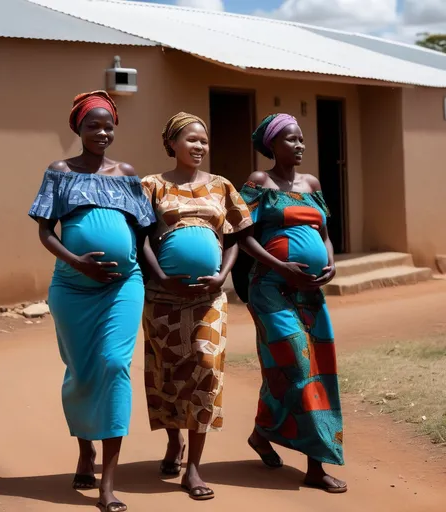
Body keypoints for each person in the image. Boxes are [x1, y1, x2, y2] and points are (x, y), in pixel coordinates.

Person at [28, 90, 155, 512]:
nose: (102, 132)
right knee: (81, 370)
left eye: (107, 125)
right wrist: (77, 263)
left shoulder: (127, 173)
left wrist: (161, 274)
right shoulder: (59, 172)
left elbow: (142, 233)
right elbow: (46, 231)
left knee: (114, 365)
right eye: (92, 125)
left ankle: (107, 485)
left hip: (122, 285)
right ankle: (85, 449)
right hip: (72, 287)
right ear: (78, 129)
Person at [233, 113, 347, 493]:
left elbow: (325, 233)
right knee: (300, 367)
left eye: (301, 140)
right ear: (272, 145)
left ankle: (262, 433)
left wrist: (329, 261)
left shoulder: (311, 183)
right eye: (290, 140)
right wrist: (282, 265)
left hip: (310, 291)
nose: (298, 146)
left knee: (310, 369)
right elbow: (240, 235)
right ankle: (316, 467)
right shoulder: (259, 183)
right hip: (270, 290)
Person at [141, 112, 252, 501]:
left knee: (206, 368)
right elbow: (141, 240)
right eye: (190, 140)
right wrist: (161, 276)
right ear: (171, 144)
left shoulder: (221, 186)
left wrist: (223, 274)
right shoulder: (151, 186)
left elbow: (237, 235)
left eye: (203, 140)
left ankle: (194, 468)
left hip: (209, 300)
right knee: (168, 374)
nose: (199, 146)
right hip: (164, 299)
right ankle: (174, 442)